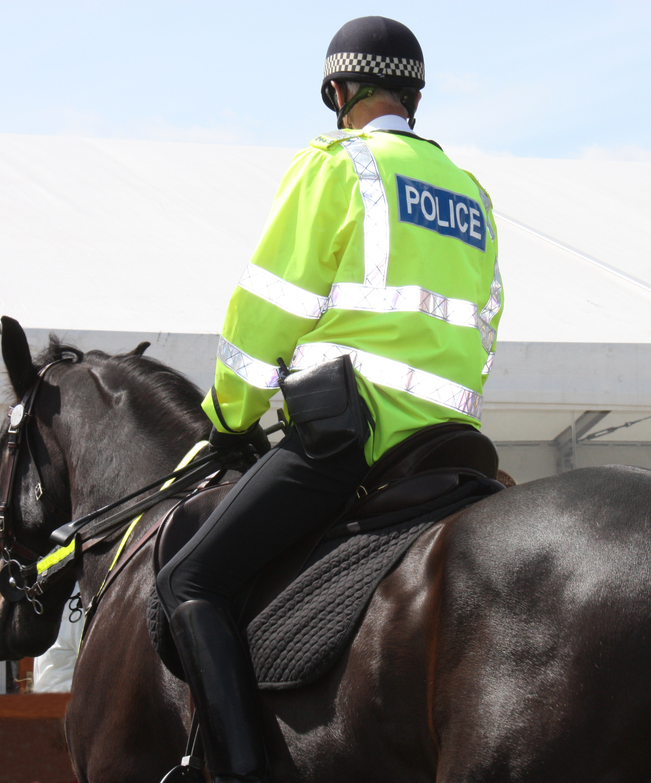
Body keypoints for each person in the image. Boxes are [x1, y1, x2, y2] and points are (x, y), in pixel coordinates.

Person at [156, 15, 502, 783]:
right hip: (448, 447)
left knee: (190, 579)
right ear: (414, 95)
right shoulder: (471, 195)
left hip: (349, 444)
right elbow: (485, 324)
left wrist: (229, 414)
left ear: (338, 91)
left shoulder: (339, 165)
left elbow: (267, 306)